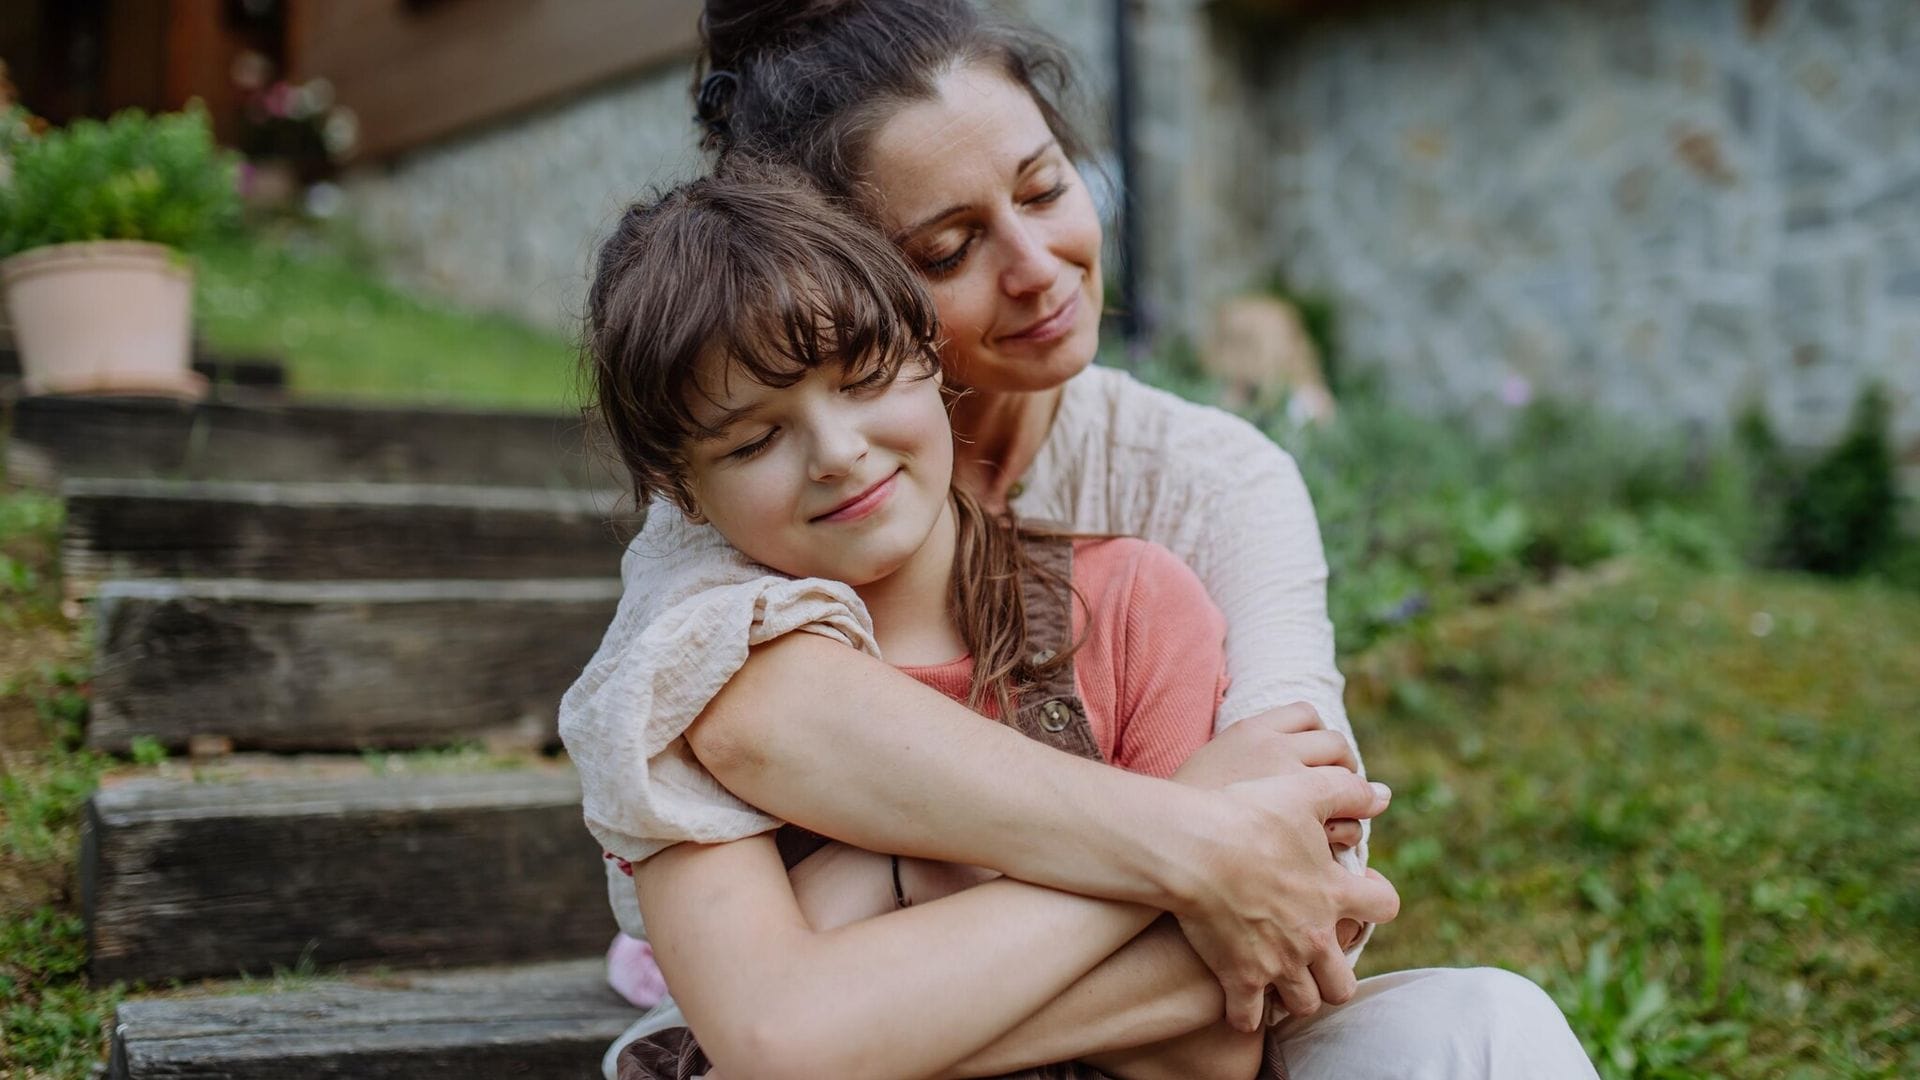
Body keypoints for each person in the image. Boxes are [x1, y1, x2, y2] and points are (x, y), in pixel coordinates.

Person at [561, 1, 1600, 1076]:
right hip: (790, 1006)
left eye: (1049, 187)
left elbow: (1299, 894)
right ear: (837, 275)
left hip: (1115, 1029)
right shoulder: (738, 513)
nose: (1039, 265)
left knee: (1487, 1032)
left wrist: (874, 974)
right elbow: (752, 728)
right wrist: (1191, 831)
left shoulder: (1200, 494)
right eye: (950, 245)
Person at [582, 160, 1378, 1076]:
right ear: (678, 490)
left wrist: (880, 969)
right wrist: (1195, 831)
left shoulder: (1132, 604)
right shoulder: (679, 698)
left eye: (865, 378)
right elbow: (781, 1039)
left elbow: (1214, 1040)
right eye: (755, 439)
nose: (838, 453)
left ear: (929, 354)